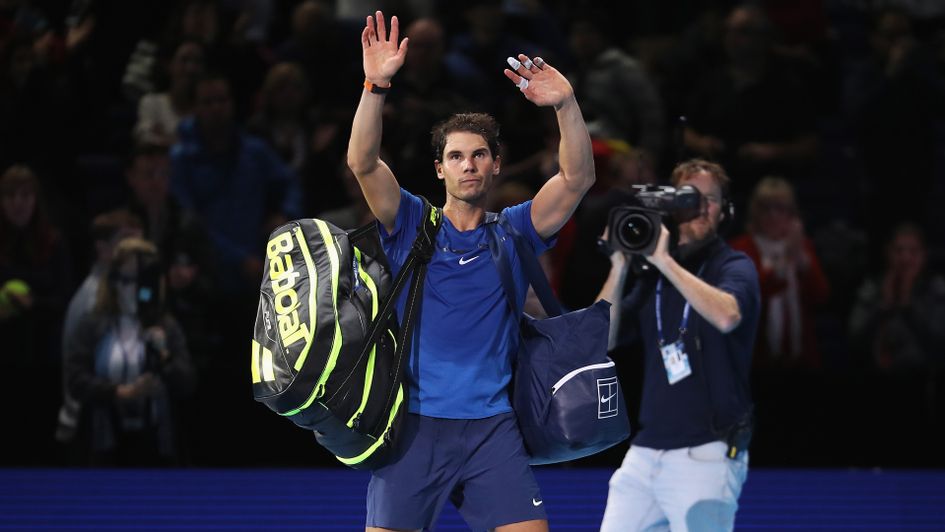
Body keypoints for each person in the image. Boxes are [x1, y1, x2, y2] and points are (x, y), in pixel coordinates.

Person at [347, 11, 595, 531]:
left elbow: (575, 179)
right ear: (440, 168)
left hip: (492, 431)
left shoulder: (516, 230)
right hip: (414, 428)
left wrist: (566, 104)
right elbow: (363, 163)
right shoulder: (411, 222)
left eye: (479, 155)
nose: (468, 165)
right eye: (456, 156)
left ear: (496, 164)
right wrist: (376, 86)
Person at [596, 159, 760, 532]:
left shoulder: (734, 266)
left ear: (726, 211)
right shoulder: (652, 275)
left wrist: (664, 260)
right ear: (670, 205)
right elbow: (599, 340)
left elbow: (726, 316)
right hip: (646, 450)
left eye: (711, 199)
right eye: (690, 197)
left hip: (707, 452)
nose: (701, 207)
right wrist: (620, 265)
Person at [63, 237, 196, 466]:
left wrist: (164, 355)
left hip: (156, 444)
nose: (132, 290)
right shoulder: (92, 323)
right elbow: (75, 379)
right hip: (104, 445)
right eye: (125, 281)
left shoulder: (166, 326)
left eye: (140, 283)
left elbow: (187, 383)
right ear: (113, 281)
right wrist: (118, 392)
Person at [729, 176, 829, 369]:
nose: (773, 215)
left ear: (792, 214)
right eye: (766, 208)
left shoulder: (802, 247)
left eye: (780, 208)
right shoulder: (741, 249)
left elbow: (820, 296)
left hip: (802, 361)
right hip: (756, 362)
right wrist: (782, 265)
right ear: (755, 212)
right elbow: (748, 299)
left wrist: (800, 258)